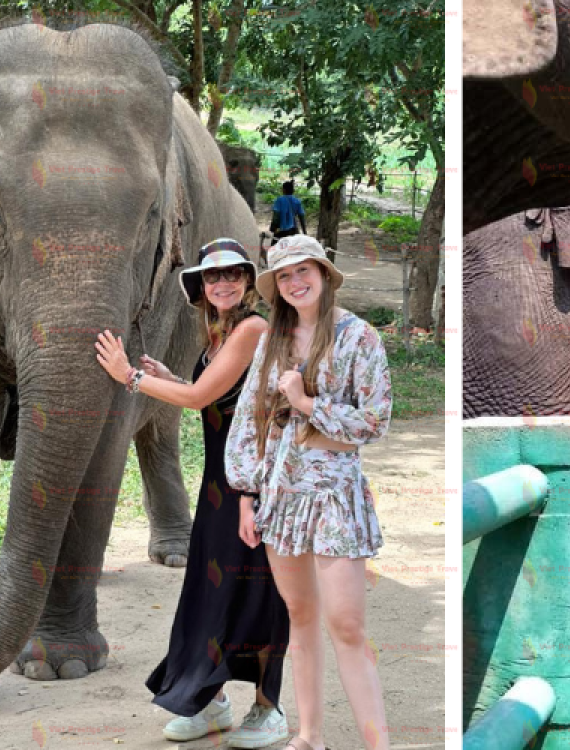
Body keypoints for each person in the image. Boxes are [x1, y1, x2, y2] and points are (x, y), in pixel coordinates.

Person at [94, 238, 292, 749]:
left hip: (251, 484)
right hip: (218, 486)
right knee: (210, 593)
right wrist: (173, 378)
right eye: (212, 277)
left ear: (248, 281)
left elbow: (201, 397)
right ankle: (211, 701)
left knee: (257, 592)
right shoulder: (218, 335)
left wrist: (131, 377)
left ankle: (269, 709)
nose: (222, 283)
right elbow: (215, 400)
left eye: (232, 275)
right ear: (201, 287)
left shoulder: (252, 329)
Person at [225, 235, 392, 750]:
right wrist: (245, 495)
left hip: (335, 496)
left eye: (305, 271)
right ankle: (309, 736)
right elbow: (250, 420)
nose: (297, 283)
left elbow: (375, 419)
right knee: (300, 615)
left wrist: (305, 402)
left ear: (323, 272)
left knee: (346, 625)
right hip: (282, 495)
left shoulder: (359, 337)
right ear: (275, 287)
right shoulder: (272, 341)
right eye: (285, 276)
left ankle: (376, 744)